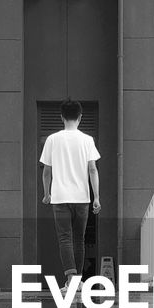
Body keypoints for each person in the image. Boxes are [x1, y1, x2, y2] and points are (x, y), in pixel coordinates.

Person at [40, 99, 101, 287]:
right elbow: (92, 169)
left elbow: (47, 171)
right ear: (80, 117)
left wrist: (46, 193)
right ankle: (79, 281)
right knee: (79, 239)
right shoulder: (87, 140)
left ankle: (70, 281)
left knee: (65, 238)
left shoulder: (52, 139)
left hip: (59, 198)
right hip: (82, 198)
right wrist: (96, 197)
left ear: (61, 117)